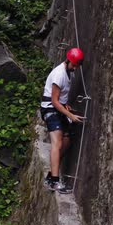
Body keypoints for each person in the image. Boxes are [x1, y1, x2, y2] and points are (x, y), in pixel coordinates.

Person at [40, 47, 84, 193]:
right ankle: (55, 182)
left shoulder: (69, 71)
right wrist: (70, 115)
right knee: (57, 143)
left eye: (77, 66)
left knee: (67, 141)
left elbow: (60, 99)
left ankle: (51, 176)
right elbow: (54, 101)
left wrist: (66, 106)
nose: (76, 68)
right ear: (69, 61)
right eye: (75, 65)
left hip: (58, 107)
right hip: (50, 108)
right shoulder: (59, 74)